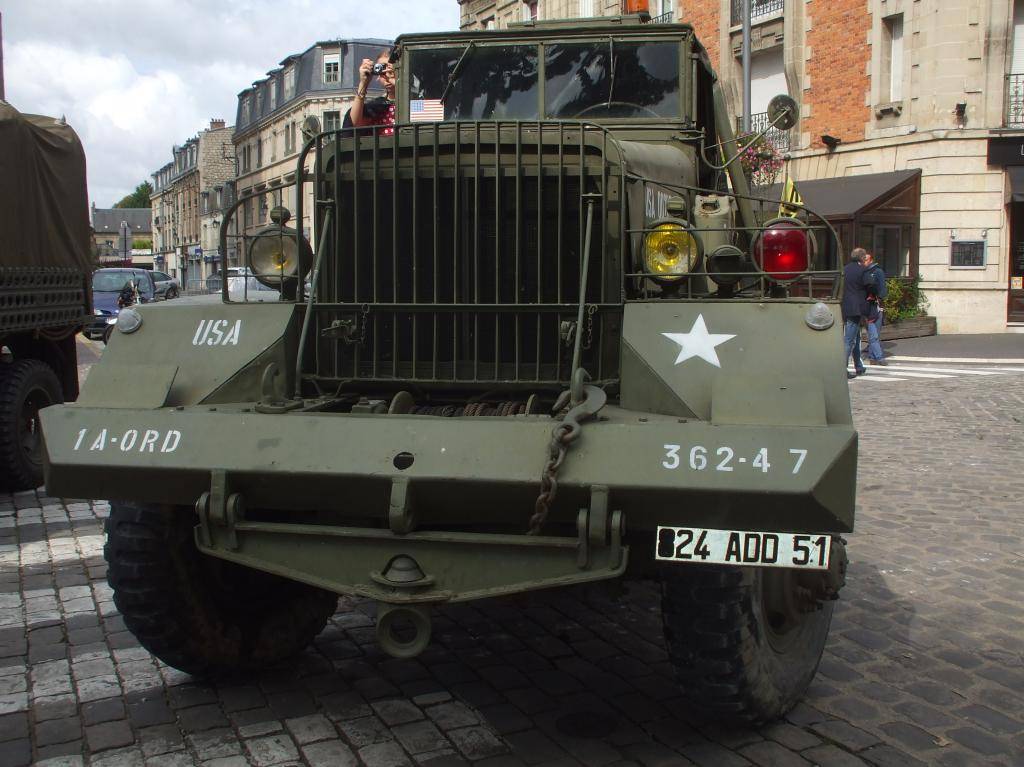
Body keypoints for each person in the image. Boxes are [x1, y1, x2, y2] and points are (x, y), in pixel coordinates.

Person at [347, 50, 396, 136]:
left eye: (391, 70)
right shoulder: (376, 107)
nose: (386, 75)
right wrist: (363, 83)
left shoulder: (414, 101)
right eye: (382, 70)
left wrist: (399, 82)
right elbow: (353, 125)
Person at [841, 248, 871, 379]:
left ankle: (858, 366)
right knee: (849, 340)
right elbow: (871, 285)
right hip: (857, 307)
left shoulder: (845, 269)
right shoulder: (863, 270)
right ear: (862, 258)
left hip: (846, 306)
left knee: (856, 338)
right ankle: (842, 368)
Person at [862, 251, 888, 365]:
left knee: (874, 332)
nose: (864, 262)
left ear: (871, 260)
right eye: (863, 260)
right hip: (866, 305)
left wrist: (879, 300)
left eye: (866, 260)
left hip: (875, 304)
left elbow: (882, 288)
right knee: (872, 332)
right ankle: (873, 355)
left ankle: (874, 356)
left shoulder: (877, 271)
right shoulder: (864, 272)